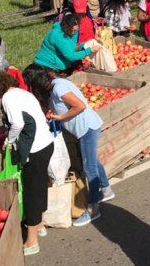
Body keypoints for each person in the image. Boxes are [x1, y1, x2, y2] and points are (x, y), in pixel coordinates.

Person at [24, 65, 115, 227]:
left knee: (89, 166)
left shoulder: (59, 88)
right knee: (91, 161)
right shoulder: (51, 88)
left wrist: (61, 117)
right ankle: (106, 190)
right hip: (82, 129)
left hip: (87, 128)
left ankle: (94, 209)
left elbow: (80, 106)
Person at [0, 71, 54, 256]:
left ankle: (32, 241)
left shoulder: (8, 98)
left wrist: (10, 141)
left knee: (32, 191)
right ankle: (40, 225)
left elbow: (17, 123)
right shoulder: (24, 93)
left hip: (34, 149)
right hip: (46, 144)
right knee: (40, 185)